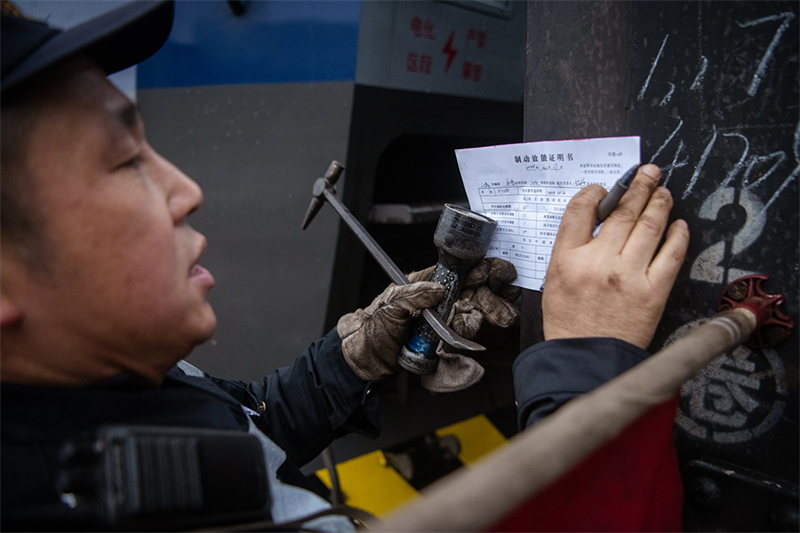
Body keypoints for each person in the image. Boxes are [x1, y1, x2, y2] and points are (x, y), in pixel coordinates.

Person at [0, 1, 689, 531]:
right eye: (124, 162)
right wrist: (586, 375)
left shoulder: (97, 386)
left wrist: (352, 358)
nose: (187, 191)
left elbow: (243, 425)